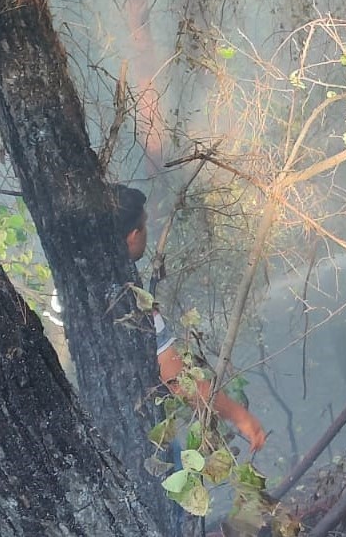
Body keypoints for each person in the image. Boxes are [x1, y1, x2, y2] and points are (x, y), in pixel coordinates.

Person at [49, 184, 267, 451]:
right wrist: (240, 416)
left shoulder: (67, 286)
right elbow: (178, 381)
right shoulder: (132, 304)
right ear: (132, 235)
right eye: (144, 226)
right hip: (132, 437)